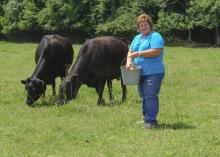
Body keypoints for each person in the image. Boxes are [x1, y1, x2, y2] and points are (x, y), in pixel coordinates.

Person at [126, 13, 165, 129]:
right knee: (143, 95)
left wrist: (138, 54)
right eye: (141, 25)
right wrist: (129, 61)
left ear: (150, 25)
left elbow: (156, 51)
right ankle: (146, 118)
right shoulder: (137, 38)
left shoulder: (155, 36)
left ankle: (151, 121)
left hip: (153, 72)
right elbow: (130, 51)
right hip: (139, 72)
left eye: (145, 25)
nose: (143, 27)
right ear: (138, 27)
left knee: (150, 95)